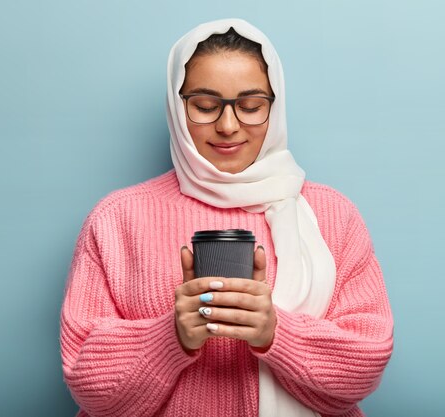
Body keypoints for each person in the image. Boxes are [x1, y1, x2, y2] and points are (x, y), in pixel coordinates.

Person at [60, 18, 393, 417]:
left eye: (251, 107)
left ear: (276, 105)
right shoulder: (117, 220)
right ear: (176, 105)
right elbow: (87, 383)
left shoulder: (331, 216)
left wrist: (276, 333)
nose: (229, 125)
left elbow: (366, 364)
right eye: (205, 106)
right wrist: (171, 337)